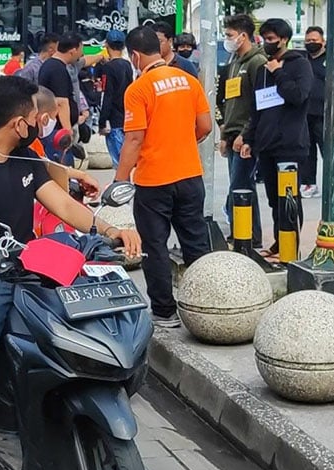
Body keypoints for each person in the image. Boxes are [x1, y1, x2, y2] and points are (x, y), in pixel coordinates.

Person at [0, 75, 140, 470]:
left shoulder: (26, 159)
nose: (40, 124)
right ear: (19, 123)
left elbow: (62, 204)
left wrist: (109, 229)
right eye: (34, 119)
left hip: (32, 269)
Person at [114, 26, 212, 328]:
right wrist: (181, 143)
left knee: (154, 246)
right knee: (195, 242)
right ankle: (206, 307)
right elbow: (205, 126)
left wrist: (119, 180)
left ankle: (165, 312)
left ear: (134, 55)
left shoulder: (139, 89)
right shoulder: (188, 80)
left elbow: (133, 140)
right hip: (190, 176)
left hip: (153, 182)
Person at [241, 19, 312, 260]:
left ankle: (291, 245)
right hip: (267, 144)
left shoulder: (299, 65)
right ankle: (279, 241)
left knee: (289, 201)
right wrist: (250, 139)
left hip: (291, 145)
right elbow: (257, 108)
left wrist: (279, 72)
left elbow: (298, 96)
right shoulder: (262, 70)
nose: (266, 44)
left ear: (283, 39)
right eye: (264, 39)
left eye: (271, 39)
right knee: (274, 200)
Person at [216, 14, 266, 248]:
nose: (227, 40)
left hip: (246, 136)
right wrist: (225, 133)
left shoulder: (257, 62)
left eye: (229, 35)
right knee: (240, 186)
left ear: (243, 36)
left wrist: (245, 135)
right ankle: (242, 232)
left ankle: (248, 235)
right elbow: (229, 100)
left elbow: (258, 105)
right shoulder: (234, 61)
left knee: (241, 186)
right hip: (232, 133)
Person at [39, 32, 83, 165]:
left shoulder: (50, 65)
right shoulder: (57, 69)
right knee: (62, 170)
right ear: (73, 50)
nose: (81, 54)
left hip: (52, 129)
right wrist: (68, 132)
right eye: (81, 50)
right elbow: (61, 103)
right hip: (57, 133)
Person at [98, 30, 133, 169]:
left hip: (114, 120)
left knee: (118, 163)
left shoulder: (108, 67)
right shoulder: (127, 65)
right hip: (126, 117)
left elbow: (108, 95)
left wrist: (102, 121)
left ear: (107, 44)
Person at [302, 26, 326, 199]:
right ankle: (309, 183)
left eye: (315, 40)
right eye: (308, 40)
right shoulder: (302, 59)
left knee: (329, 150)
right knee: (307, 151)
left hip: (324, 115)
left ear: (322, 41)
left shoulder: (331, 60)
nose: (311, 43)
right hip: (305, 114)